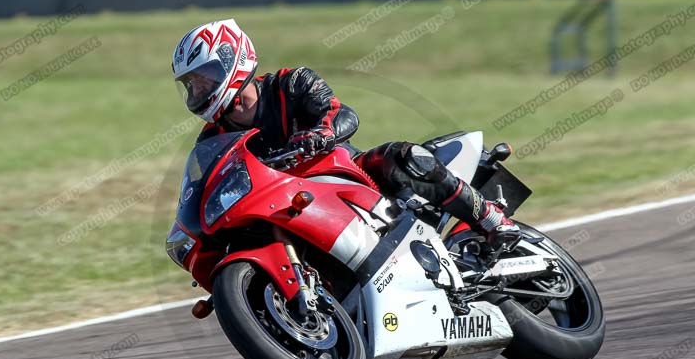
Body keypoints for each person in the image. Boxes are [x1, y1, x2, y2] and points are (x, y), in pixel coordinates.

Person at [172, 19, 520, 250]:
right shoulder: (213, 136)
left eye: (204, 77)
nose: (199, 89)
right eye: (192, 84)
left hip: (344, 171)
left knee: (402, 156)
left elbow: (341, 113)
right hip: (286, 203)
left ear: (232, 59)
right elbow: (208, 180)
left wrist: (321, 134)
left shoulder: (291, 83)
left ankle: (489, 218)